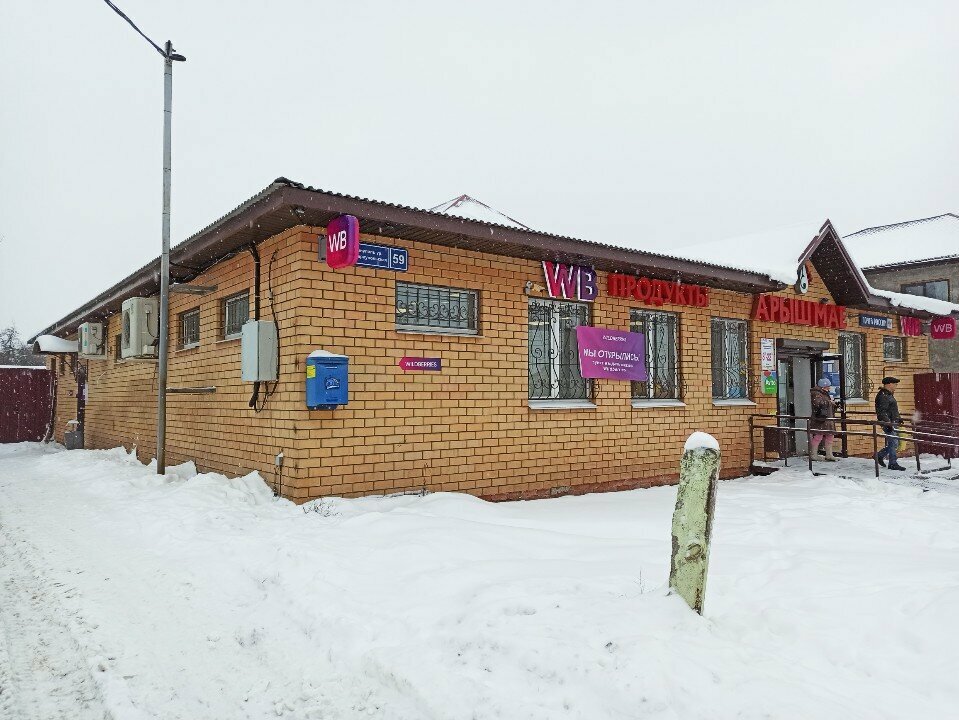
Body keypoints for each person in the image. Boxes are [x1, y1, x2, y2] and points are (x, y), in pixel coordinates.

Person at [875, 376, 906, 471]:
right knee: (894, 442)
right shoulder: (883, 396)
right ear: (889, 384)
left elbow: (892, 410)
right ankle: (892, 463)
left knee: (894, 443)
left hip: (893, 422)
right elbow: (882, 412)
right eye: (895, 384)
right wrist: (888, 423)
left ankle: (879, 455)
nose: (896, 386)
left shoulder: (888, 394)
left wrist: (898, 419)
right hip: (888, 423)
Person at [809, 378, 838, 461]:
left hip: (827, 419)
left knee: (830, 436)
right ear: (823, 386)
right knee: (818, 436)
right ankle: (813, 454)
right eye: (828, 386)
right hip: (821, 419)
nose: (829, 388)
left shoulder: (824, 393)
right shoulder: (816, 393)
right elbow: (818, 403)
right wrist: (829, 402)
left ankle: (829, 454)